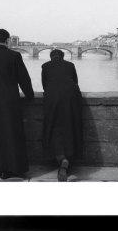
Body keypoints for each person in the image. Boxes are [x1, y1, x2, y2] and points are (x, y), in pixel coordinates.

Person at [0, 29, 34, 180]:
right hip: (10, 101)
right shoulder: (14, 55)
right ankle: (9, 169)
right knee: (10, 134)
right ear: (7, 40)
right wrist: (30, 95)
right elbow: (24, 79)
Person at [41, 49, 82, 182]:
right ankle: (69, 156)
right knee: (70, 125)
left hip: (52, 97)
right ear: (63, 57)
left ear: (51, 57)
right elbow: (75, 81)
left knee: (53, 126)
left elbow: (44, 85)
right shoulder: (70, 65)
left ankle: (61, 158)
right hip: (71, 97)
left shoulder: (45, 66)